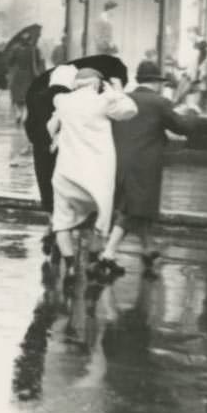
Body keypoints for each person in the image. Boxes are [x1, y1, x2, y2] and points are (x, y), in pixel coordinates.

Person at [46, 65, 137, 285]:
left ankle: (69, 265)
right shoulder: (103, 101)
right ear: (97, 84)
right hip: (96, 174)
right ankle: (96, 259)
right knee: (102, 216)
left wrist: (57, 138)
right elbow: (130, 110)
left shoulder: (62, 101)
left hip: (66, 171)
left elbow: (50, 127)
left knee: (62, 220)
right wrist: (114, 90)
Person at [110, 60, 199, 275]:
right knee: (132, 209)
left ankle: (149, 247)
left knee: (139, 207)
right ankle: (108, 252)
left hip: (119, 162)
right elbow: (183, 127)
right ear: (157, 83)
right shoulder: (159, 103)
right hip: (144, 165)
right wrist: (193, 112)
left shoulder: (124, 100)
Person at [7, 35, 44, 126]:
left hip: (18, 75)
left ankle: (19, 113)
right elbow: (39, 62)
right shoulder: (34, 50)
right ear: (30, 40)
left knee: (17, 95)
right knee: (27, 95)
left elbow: (10, 62)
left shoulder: (15, 49)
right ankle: (24, 114)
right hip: (29, 75)